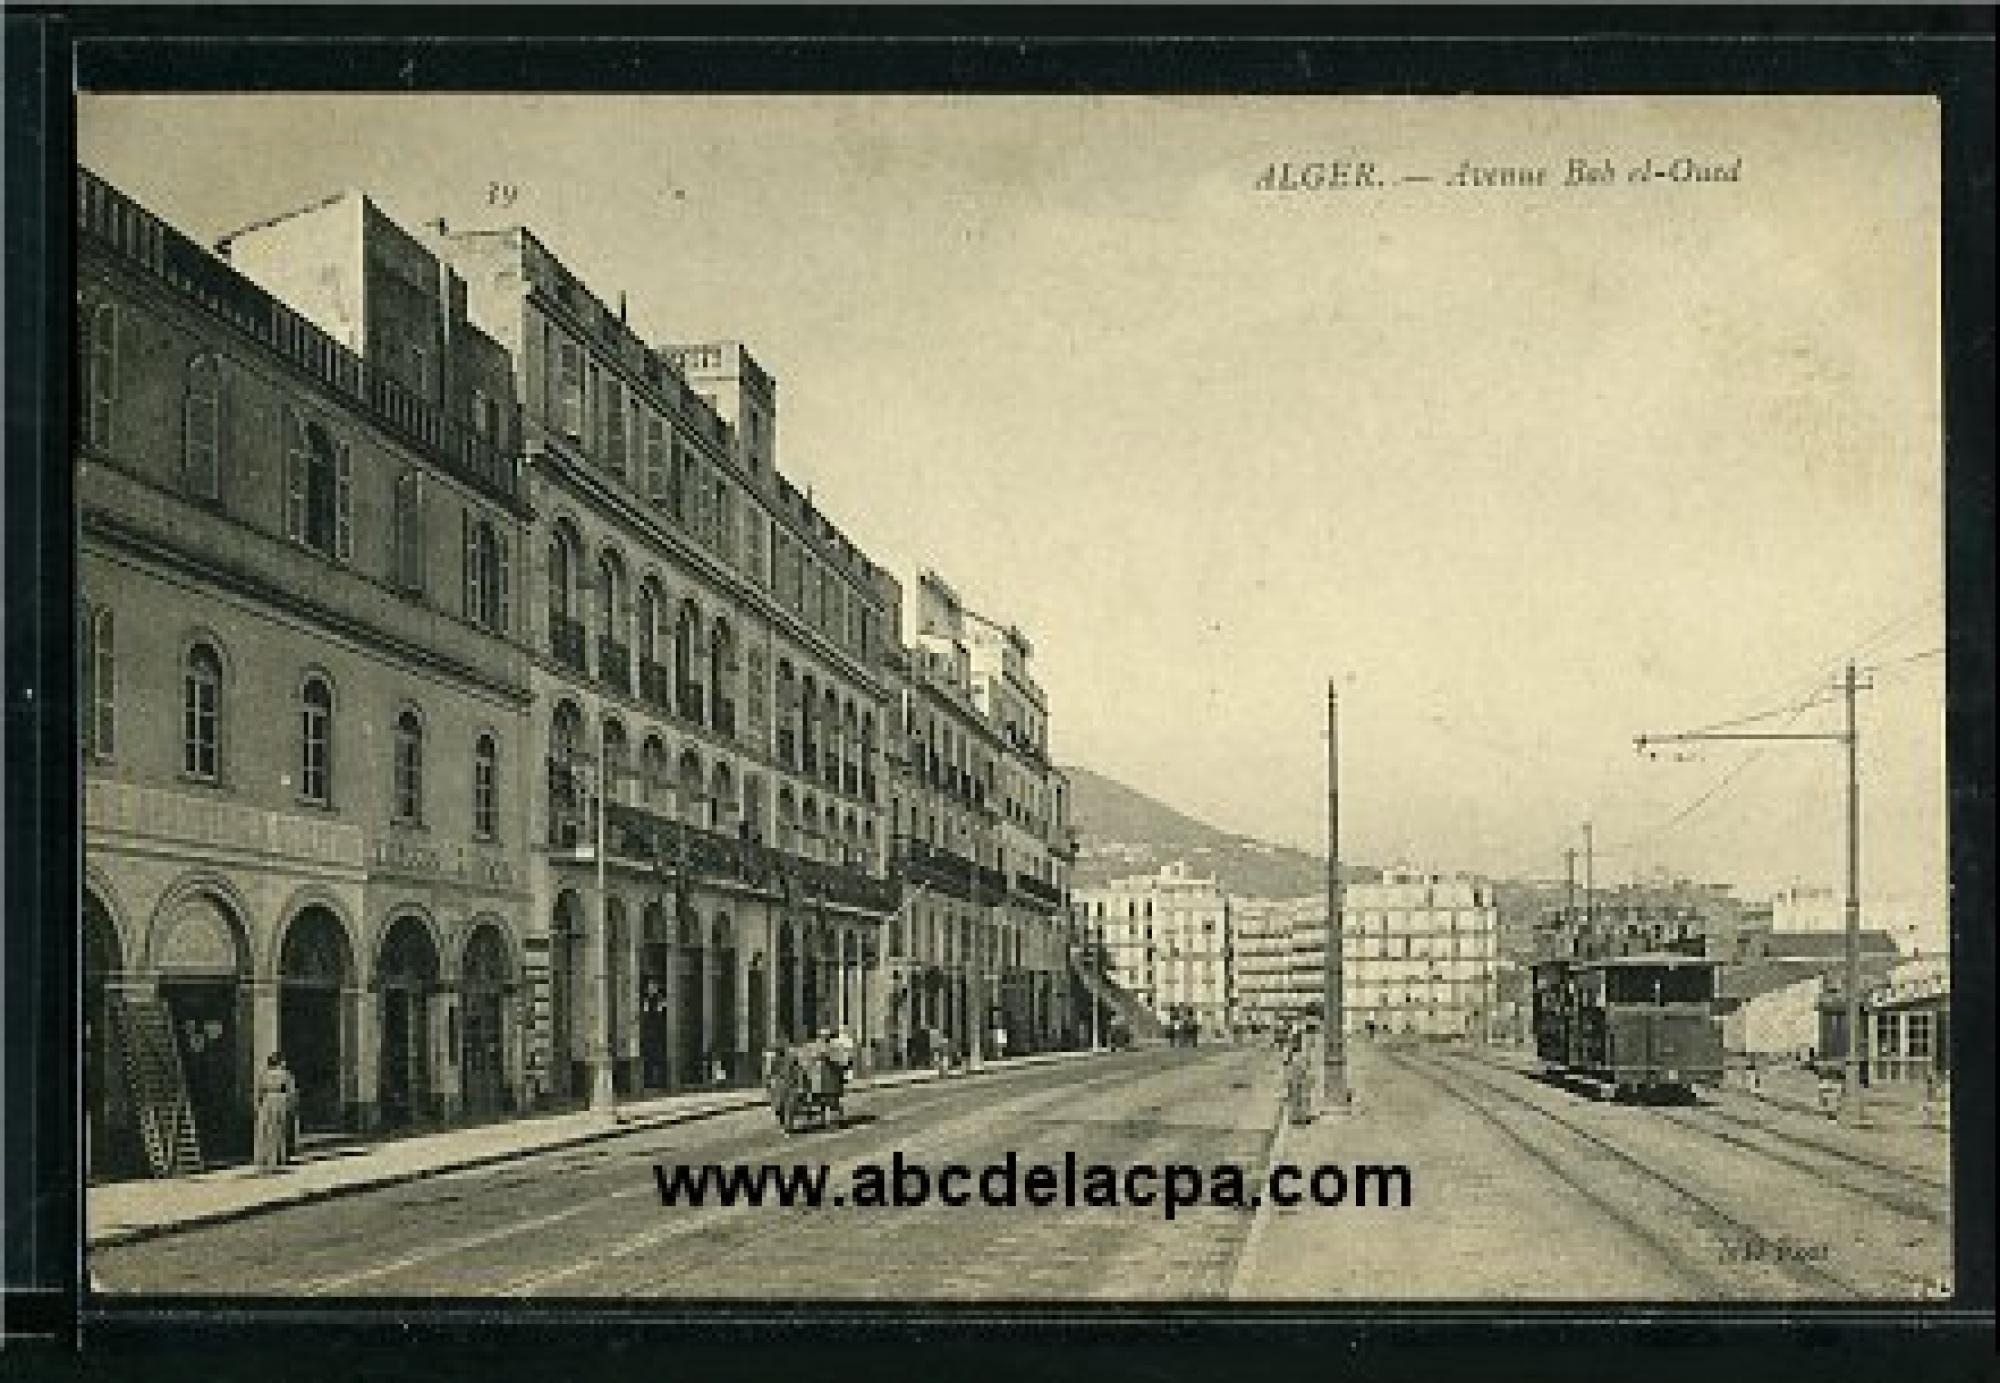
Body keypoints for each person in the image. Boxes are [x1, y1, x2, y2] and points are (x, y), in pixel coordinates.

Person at [253, 1052, 298, 1173]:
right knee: (279, 1130)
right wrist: (291, 1105)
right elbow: (291, 1091)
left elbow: (260, 1091)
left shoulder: (264, 1074)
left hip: (267, 1101)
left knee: (266, 1131)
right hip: (280, 1100)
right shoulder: (285, 1074)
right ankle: (277, 1158)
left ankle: (264, 1158)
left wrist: (259, 1105)